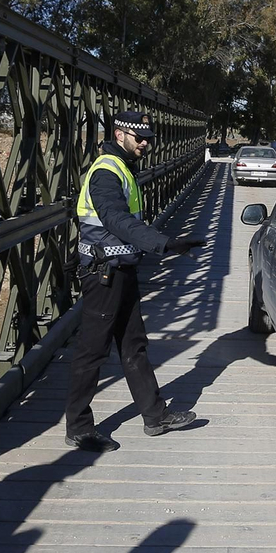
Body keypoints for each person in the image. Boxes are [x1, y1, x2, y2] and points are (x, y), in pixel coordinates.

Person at [64, 110, 206, 452]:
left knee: (134, 346)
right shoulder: (106, 172)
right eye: (138, 137)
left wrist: (164, 242)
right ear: (119, 134)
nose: (145, 143)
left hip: (121, 270)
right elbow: (114, 218)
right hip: (103, 275)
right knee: (92, 352)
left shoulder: (124, 168)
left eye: (148, 139)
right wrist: (164, 243)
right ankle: (79, 428)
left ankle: (155, 416)